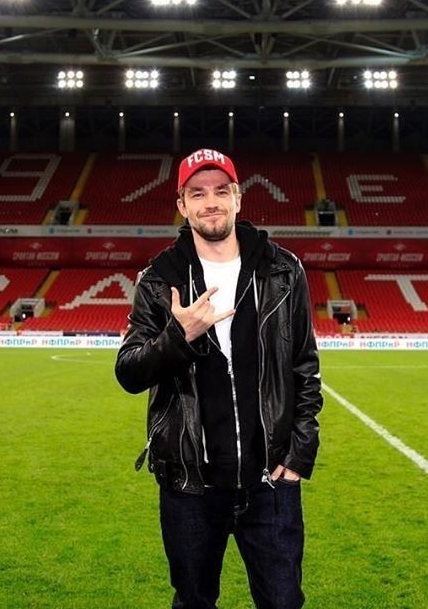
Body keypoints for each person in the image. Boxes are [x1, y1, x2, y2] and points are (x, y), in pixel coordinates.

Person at [115, 148, 323, 609]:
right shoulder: (159, 279)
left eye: (220, 191)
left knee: (283, 602)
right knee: (193, 601)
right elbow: (129, 372)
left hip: (270, 481)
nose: (211, 202)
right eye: (197, 193)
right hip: (190, 485)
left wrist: (298, 454)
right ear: (181, 205)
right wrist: (179, 336)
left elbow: (305, 368)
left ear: (238, 198)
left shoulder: (283, 270)